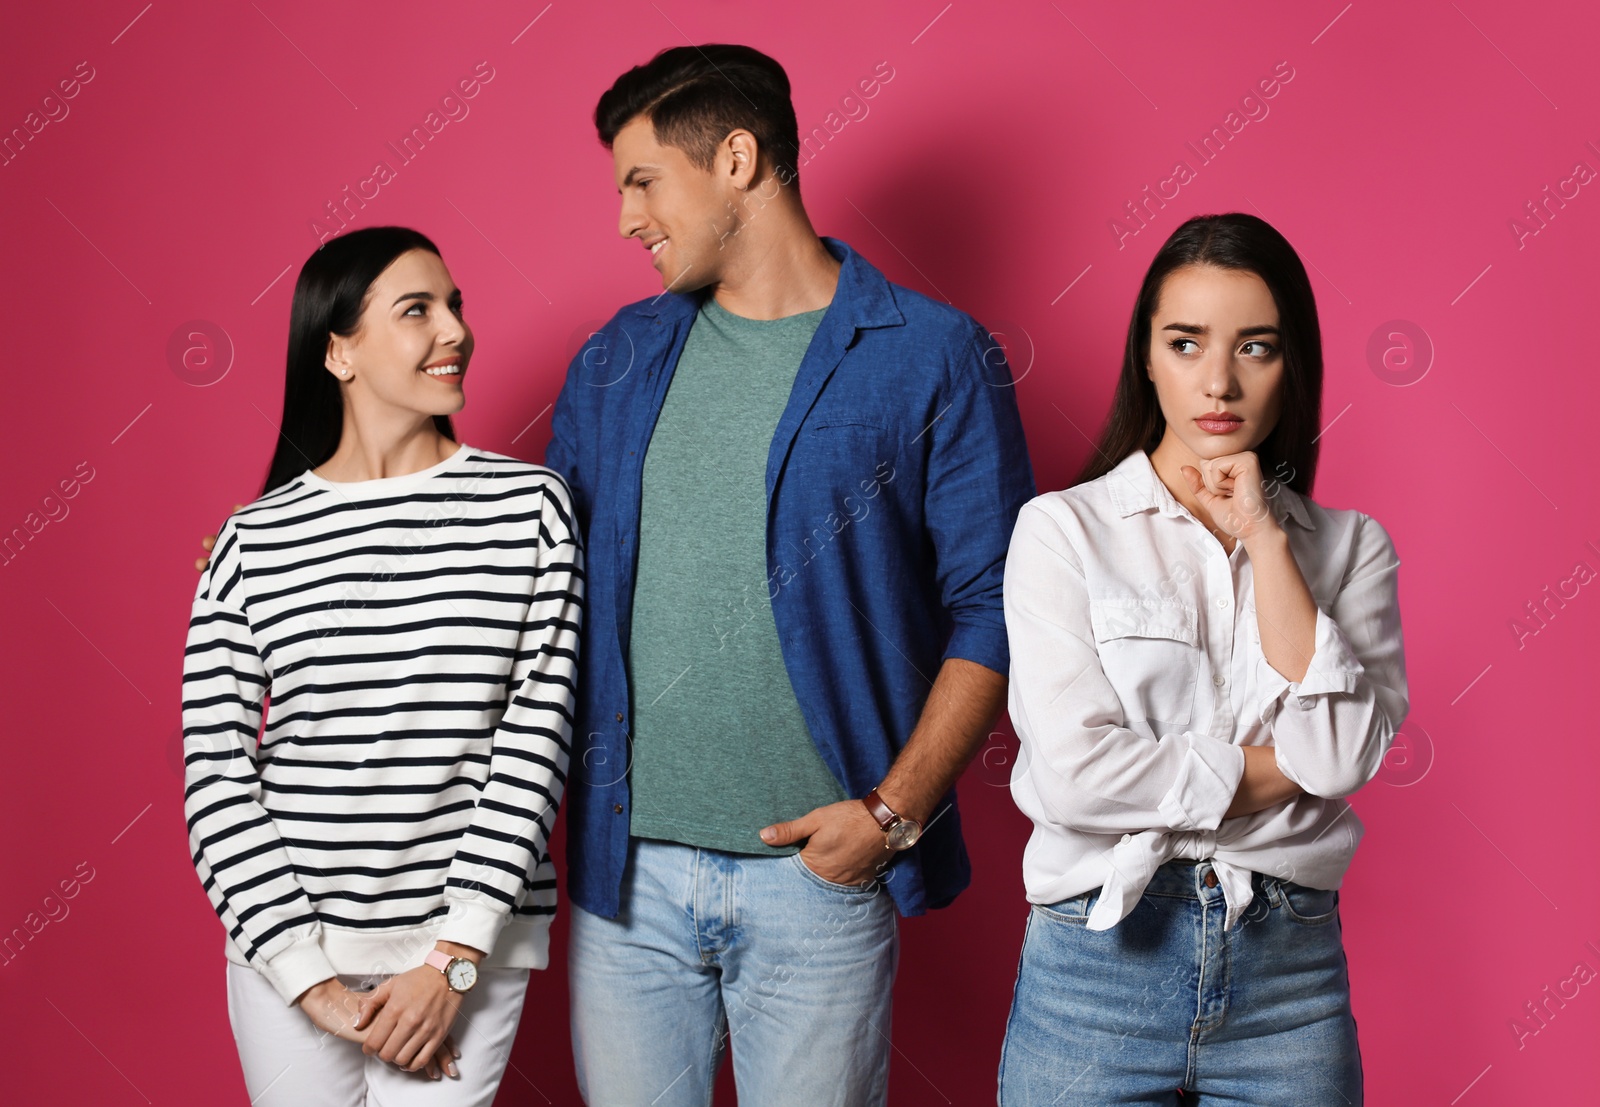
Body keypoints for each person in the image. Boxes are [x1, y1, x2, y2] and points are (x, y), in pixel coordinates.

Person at [546, 44, 1035, 1105]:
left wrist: (892, 815)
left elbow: (996, 605)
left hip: (819, 884)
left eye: (643, 181)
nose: (628, 218)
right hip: (625, 886)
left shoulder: (934, 354)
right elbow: (539, 589)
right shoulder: (614, 361)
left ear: (736, 158)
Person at [997, 213, 1408, 1105]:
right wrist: (1279, 769)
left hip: (1289, 983)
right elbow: (1073, 776)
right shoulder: (1063, 532)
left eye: (1255, 347)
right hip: (1094, 972)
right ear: (1147, 355)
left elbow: (1342, 755)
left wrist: (1266, 539)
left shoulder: (1350, 549)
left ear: (1291, 361)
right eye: (1186, 343)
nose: (1218, 381)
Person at [181, 226, 582, 1106]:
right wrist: (306, 977)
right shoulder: (252, 543)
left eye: (456, 306)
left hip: (462, 950)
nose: (456, 331)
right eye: (417, 311)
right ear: (339, 351)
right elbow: (215, 773)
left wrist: (454, 960)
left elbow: (535, 746)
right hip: (288, 947)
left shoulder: (529, 510)